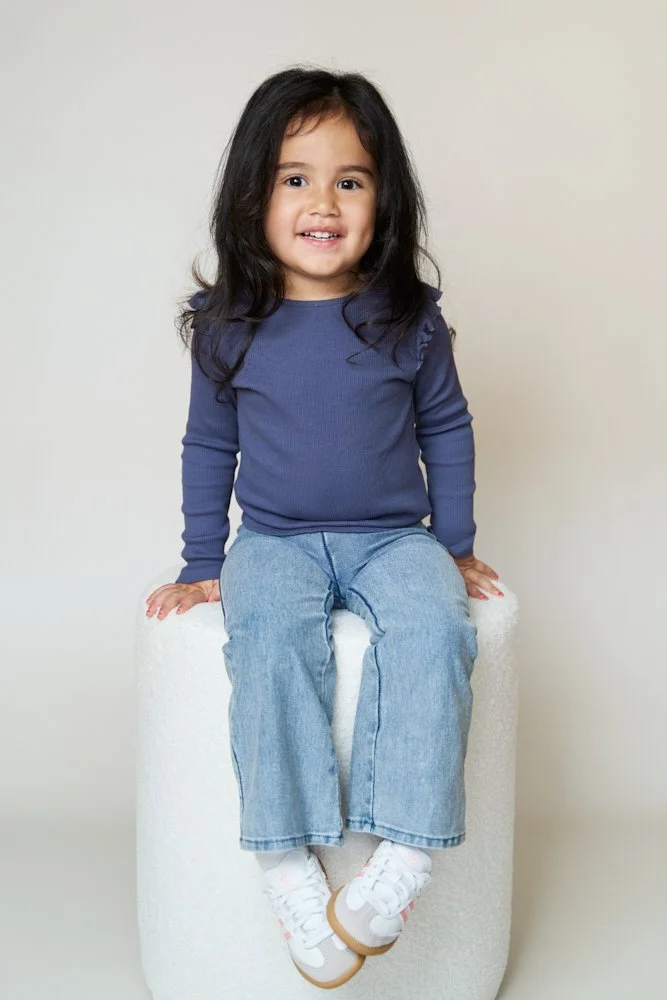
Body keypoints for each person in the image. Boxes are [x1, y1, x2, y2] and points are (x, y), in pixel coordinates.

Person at [145, 66, 503, 990]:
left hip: (395, 539)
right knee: (265, 643)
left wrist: (454, 545)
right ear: (251, 198)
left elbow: (447, 430)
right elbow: (205, 447)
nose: (322, 201)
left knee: (436, 633)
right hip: (274, 543)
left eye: (349, 179)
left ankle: (402, 864)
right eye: (294, 177)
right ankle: (286, 867)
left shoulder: (412, 322)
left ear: (384, 201)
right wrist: (200, 562)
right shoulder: (227, 326)